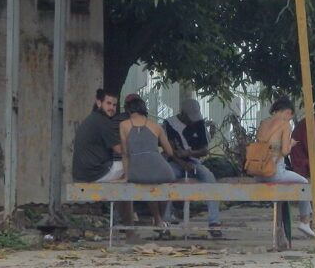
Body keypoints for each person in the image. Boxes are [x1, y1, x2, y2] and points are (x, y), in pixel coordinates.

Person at [73, 89, 135, 230]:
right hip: (96, 172)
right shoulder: (102, 122)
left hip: (84, 172)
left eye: (114, 105)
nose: (112, 108)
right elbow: (120, 150)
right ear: (99, 103)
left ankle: (125, 224)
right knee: (132, 169)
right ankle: (131, 229)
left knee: (124, 180)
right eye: (108, 103)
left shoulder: (93, 119)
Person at [255, 97, 315, 238]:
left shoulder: (264, 123)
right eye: (290, 117)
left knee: (286, 191)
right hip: (274, 172)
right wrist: (291, 143)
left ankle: (284, 230)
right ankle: (304, 221)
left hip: (258, 172)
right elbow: (285, 151)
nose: (289, 120)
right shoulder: (285, 125)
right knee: (304, 184)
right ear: (287, 112)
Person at [163, 99, 221, 236]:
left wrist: (189, 154)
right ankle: (165, 223)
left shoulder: (199, 123)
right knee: (166, 180)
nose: (192, 121)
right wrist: (182, 163)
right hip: (175, 162)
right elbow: (170, 150)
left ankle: (214, 222)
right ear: (182, 113)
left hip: (194, 162)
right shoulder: (169, 124)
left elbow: (204, 150)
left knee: (209, 178)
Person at [119, 94, 177, 228]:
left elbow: (125, 153)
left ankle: (157, 219)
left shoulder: (124, 125)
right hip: (160, 169)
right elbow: (169, 152)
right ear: (143, 109)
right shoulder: (156, 126)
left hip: (137, 172)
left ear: (128, 110)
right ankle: (159, 219)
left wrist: (126, 176)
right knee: (163, 184)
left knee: (148, 183)